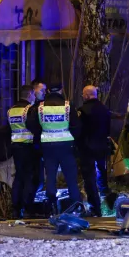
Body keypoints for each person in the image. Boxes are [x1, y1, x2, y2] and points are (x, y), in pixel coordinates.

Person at [27, 82, 82, 215]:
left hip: (48, 146)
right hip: (66, 146)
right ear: (61, 90)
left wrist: (41, 133)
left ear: (48, 91)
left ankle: (51, 206)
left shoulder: (40, 107)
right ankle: (76, 206)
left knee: (50, 177)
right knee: (71, 178)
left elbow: (31, 125)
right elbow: (77, 126)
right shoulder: (68, 106)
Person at [77, 85, 111, 216]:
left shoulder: (83, 111)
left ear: (86, 95)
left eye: (83, 95)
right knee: (102, 175)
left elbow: (80, 131)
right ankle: (108, 204)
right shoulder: (104, 109)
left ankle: (95, 208)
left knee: (89, 179)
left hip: (87, 149)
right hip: (101, 147)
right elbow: (108, 129)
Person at [8, 84, 39, 217]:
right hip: (28, 147)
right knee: (29, 177)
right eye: (33, 94)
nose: (34, 97)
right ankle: (27, 208)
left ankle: (15, 208)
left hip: (16, 147)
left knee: (19, 177)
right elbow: (34, 127)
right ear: (29, 94)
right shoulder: (29, 109)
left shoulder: (11, 110)